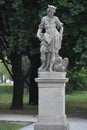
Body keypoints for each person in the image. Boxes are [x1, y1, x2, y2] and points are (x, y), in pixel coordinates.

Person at [37, 5, 64, 72]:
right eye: (50, 12)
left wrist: (60, 34)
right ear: (48, 11)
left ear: (54, 12)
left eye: (52, 12)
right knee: (43, 50)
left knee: (53, 53)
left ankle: (50, 68)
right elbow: (40, 28)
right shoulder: (44, 19)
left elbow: (61, 27)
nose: (51, 13)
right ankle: (44, 65)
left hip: (55, 36)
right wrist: (38, 34)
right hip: (47, 36)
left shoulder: (56, 18)